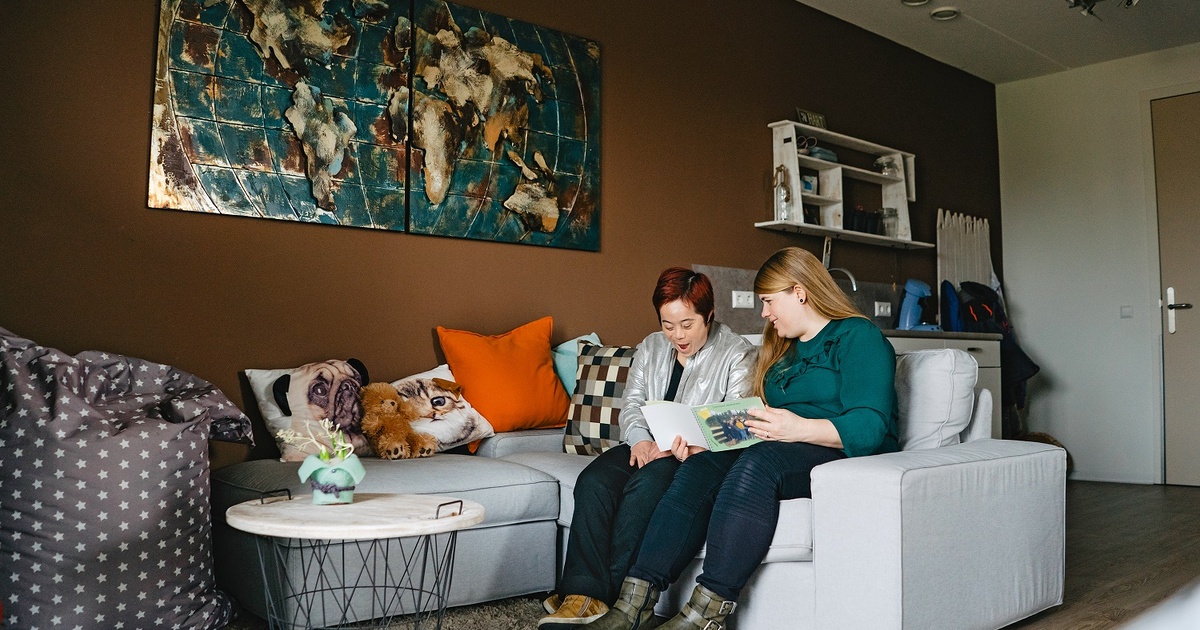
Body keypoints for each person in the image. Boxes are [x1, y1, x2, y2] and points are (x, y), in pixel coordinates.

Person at [584, 247, 899, 630]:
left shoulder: (858, 336)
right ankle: (633, 605)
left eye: (768, 301)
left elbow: (870, 426)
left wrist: (796, 428)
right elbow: (756, 415)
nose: (764, 313)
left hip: (838, 452)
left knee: (758, 463)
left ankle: (705, 615)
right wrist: (711, 440)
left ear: (799, 293)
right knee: (700, 465)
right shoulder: (782, 345)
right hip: (778, 444)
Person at [540, 268, 756, 627]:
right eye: (668, 325)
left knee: (645, 488)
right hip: (645, 441)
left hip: (690, 454)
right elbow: (632, 402)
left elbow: (733, 419)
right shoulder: (652, 346)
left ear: (709, 315)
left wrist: (687, 444)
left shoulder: (737, 352)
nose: (677, 335)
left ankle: (610, 598)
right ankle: (582, 595)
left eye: (687, 324)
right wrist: (640, 439)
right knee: (594, 481)